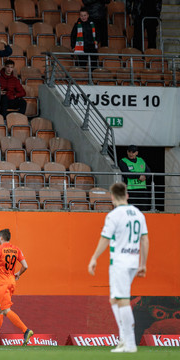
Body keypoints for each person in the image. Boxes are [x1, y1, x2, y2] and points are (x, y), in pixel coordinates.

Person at [88, 182, 149, 353]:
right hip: (133, 260)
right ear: (127, 195)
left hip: (120, 262)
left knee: (122, 300)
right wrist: (143, 263)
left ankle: (129, 343)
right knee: (115, 299)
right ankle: (124, 339)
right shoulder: (138, 214)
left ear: (112, 197)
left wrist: (94, 258)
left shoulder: (114, 215)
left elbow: (105, 238)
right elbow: (144, 239)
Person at [0, 228, 33, 346]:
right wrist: (18, 274)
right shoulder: (16, 249)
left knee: (5, 310)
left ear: (0, 237)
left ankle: (26, 330)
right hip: (11, 282)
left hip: (2, 284)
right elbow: (25, 266)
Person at [118, 145, 151, 211]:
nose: (131, 154)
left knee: (143, 209)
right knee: (131, 209)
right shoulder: (123, 161)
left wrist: (145, 177)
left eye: (133, 152)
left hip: (142, 189)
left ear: (136, 153)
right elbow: (126, 173)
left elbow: (148, 172)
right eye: (129, 152)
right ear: (127, 152)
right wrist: (138, 176)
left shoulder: (141, 160)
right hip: (131, 189)